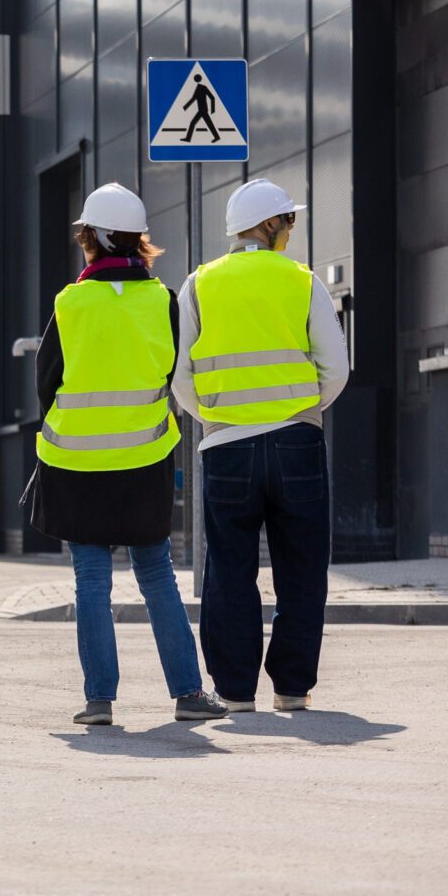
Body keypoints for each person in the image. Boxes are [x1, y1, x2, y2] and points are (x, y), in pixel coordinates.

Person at [24, 184, 226, 726]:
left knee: (91, 580)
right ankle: (187, 695)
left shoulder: (70, 303)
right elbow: (174, 374)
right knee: (156, 573)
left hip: (76, 464)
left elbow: (46, 384)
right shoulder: (160, 300)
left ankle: (99, 702)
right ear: (138, 242)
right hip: (144, 461)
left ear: (89, 239)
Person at [173, 179, 347, 713]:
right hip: (298, 441)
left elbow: (180, 377)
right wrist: (303, 410)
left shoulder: (198, 285)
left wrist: (218, 421)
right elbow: (336, 368)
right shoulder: (303, 282)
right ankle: (292, 688)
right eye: (288, 222)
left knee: (228, 569)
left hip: (226, 448)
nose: (291, 231)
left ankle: (235, 691)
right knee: (302, 566)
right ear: (268, 225)